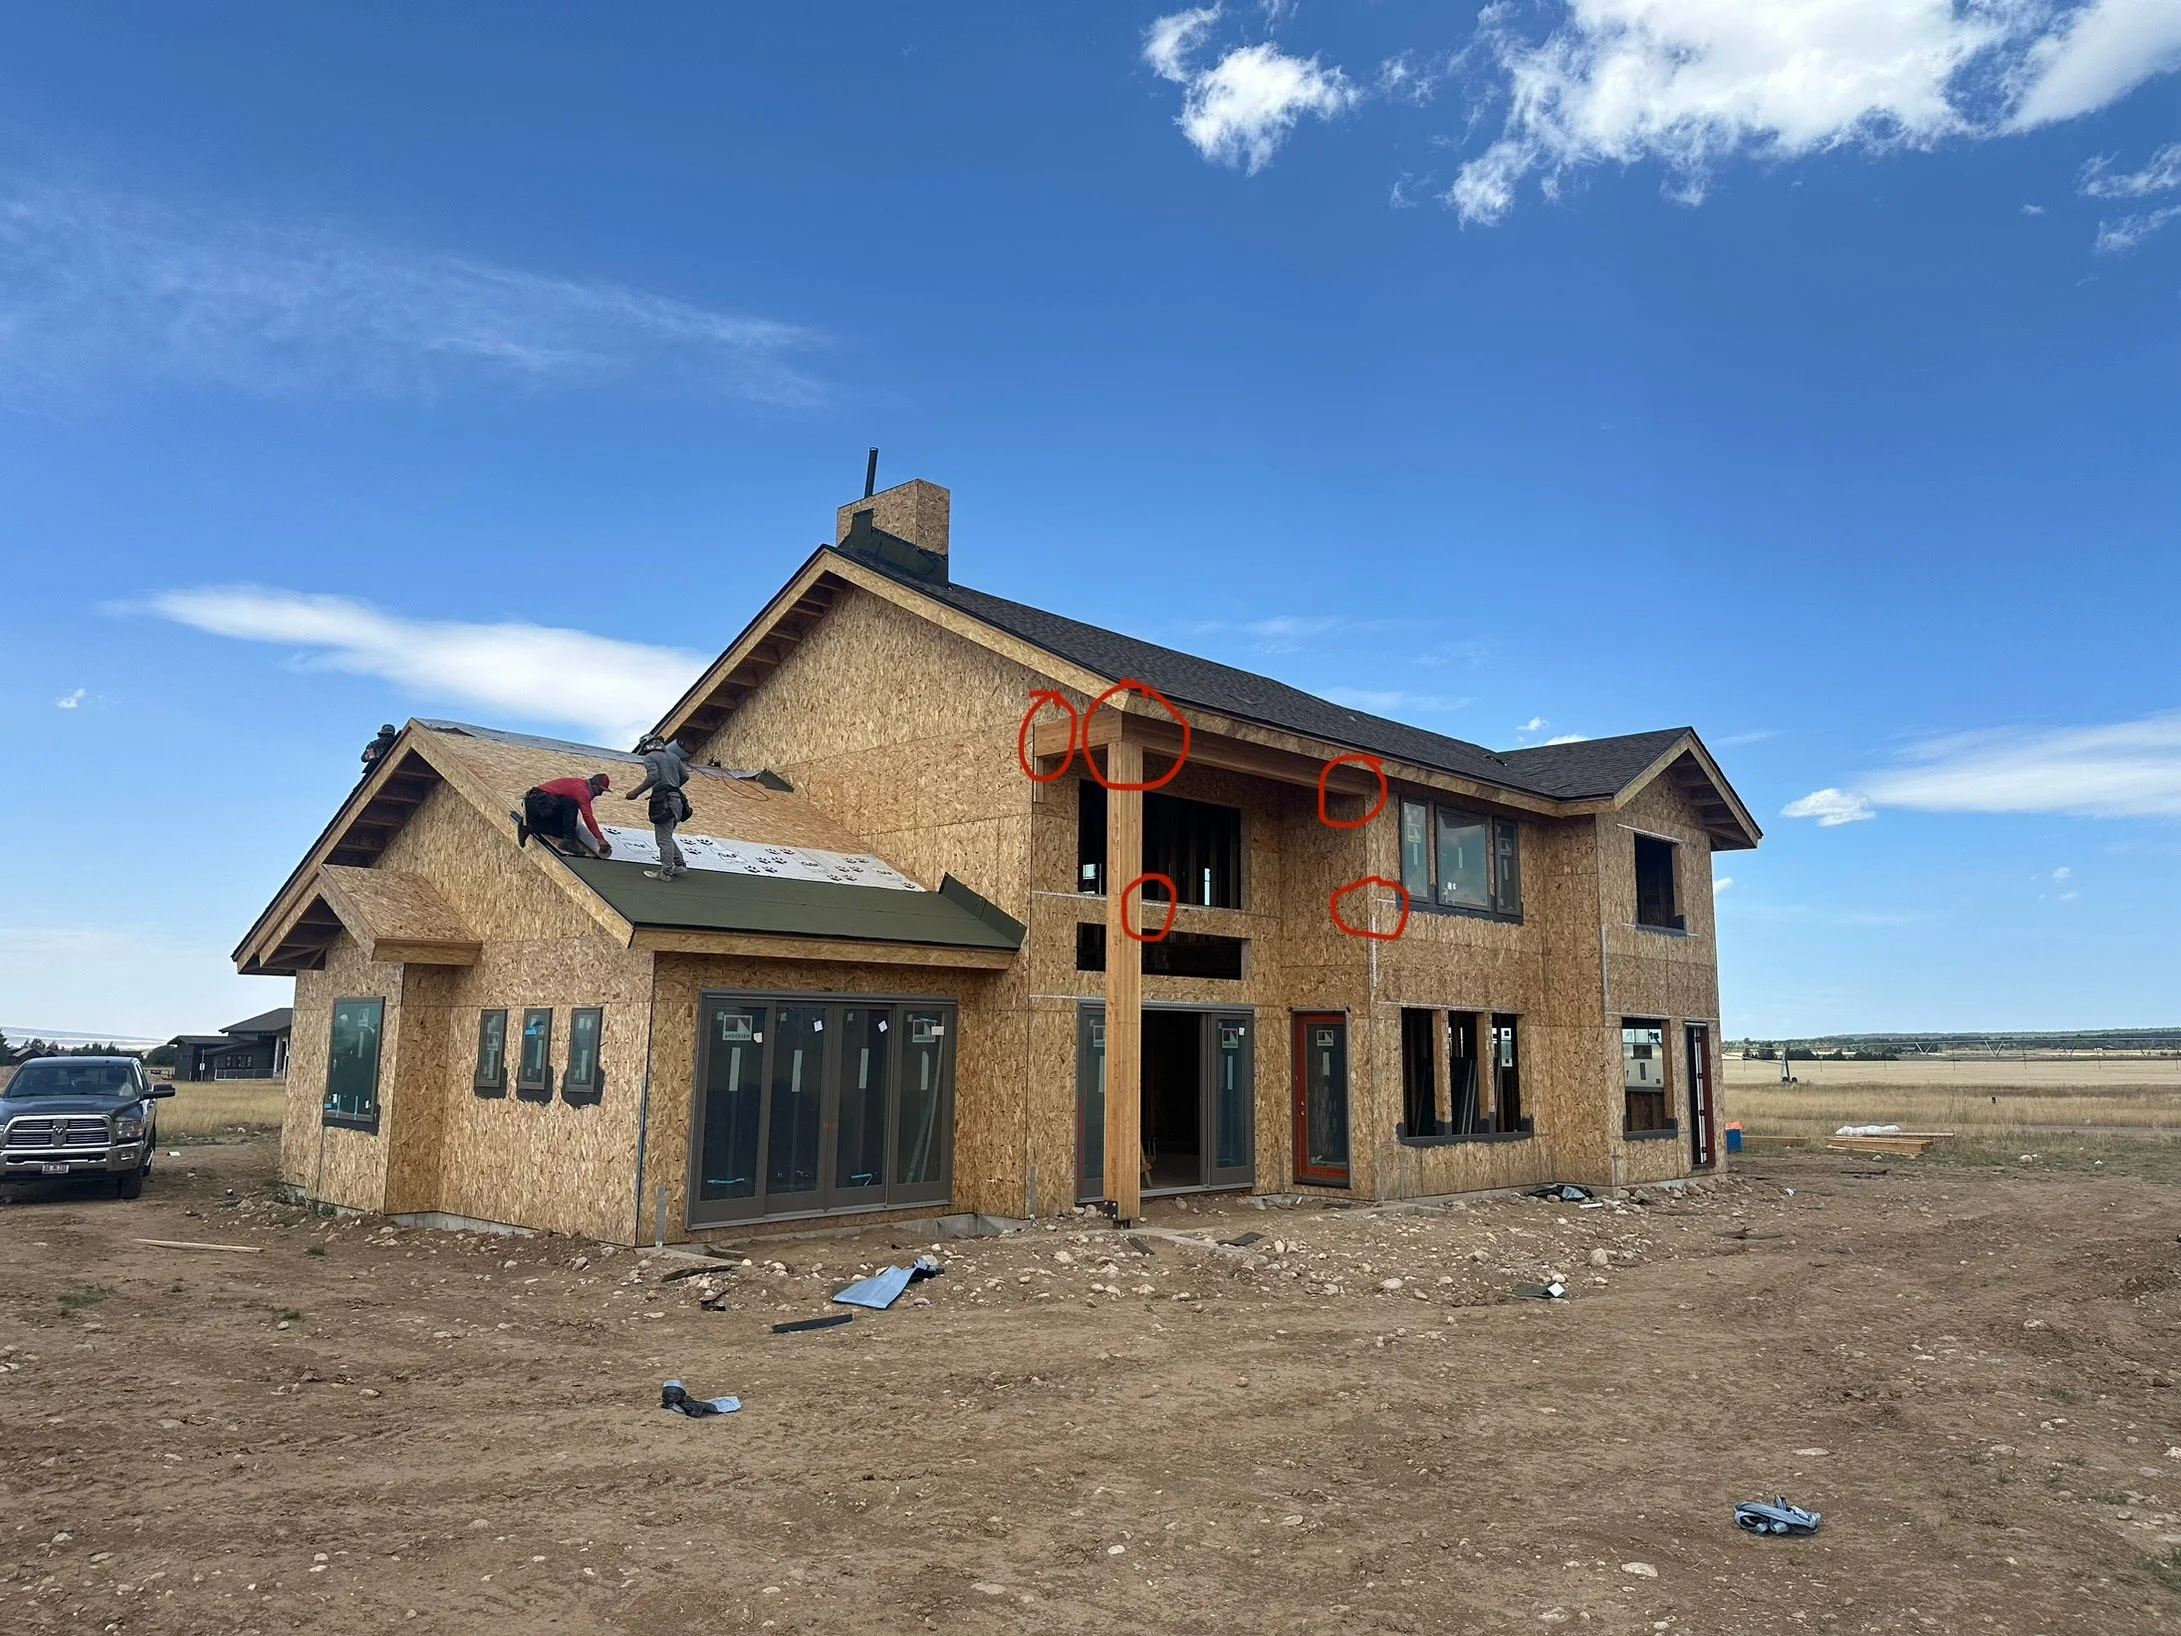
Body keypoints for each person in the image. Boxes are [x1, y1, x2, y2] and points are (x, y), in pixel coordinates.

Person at [626, 735, 693, 880]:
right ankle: (679, 864)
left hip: (665, 802)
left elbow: (653, 776)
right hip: (677, 801)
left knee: (663, 839)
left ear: (645, 747)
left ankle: (666, 872)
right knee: (667, 835)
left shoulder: (650, 757)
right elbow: (685, 776)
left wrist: (635, 792)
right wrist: (671, 787)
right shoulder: (674, 757)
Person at [519, 772, 613, 858]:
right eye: (600, 790)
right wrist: (600, 839)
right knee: (571, 804)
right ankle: (568, 841)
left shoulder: (580, 784)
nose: (600, 794)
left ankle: (531, 826)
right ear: (594, 785)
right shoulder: (583, 791)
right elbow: (588, 816)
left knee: (562, 830)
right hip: (538, 803)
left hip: (537, 805)